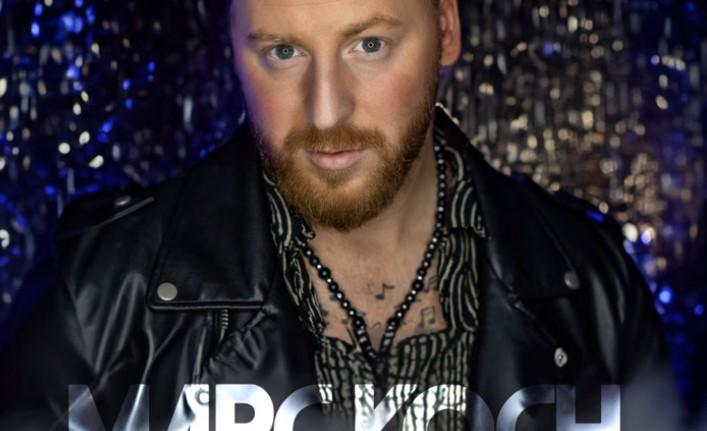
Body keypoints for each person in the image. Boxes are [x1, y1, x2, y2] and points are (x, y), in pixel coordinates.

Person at [0, 0, 681, 429]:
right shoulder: (102, 292)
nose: (326, 111)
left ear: (445, 30)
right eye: (283, 52)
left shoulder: (590, 286)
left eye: (368, 45)